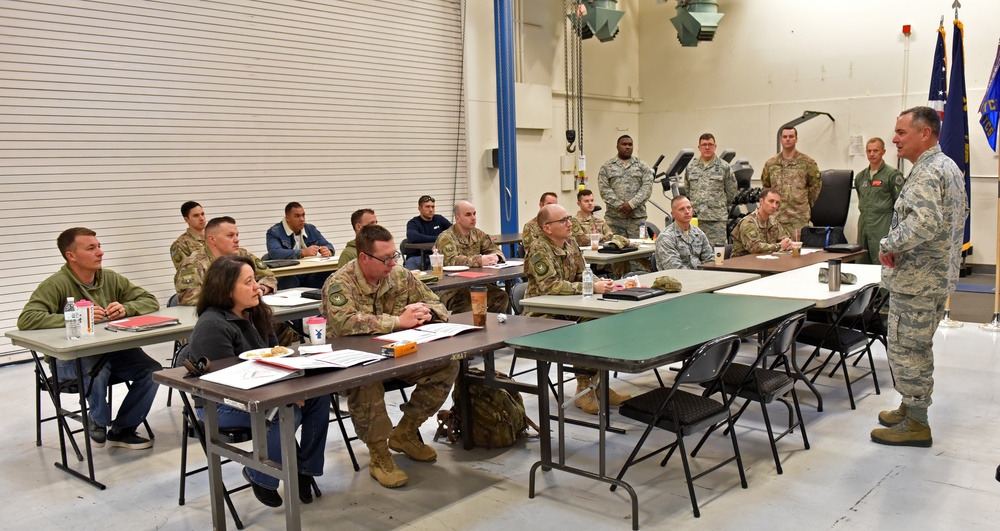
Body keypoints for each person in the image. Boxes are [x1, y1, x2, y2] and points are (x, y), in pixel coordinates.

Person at [184, 255, 330, 507]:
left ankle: (303, 470)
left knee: (318, 396)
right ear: (226, 289)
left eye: (255, 280)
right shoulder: (212, 325)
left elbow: (275, 356)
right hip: (219, 403)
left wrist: (294, 386)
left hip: (262, 391)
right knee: (285, 412)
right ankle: (261, 476)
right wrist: (285, 394)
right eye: (249, 282)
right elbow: (225, 383)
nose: (257, 287)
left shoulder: (255, 313)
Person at [322, 224, 457, 489]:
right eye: (385, 258)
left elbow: (437, 303)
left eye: (394, 256)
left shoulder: (399, 275)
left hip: (399, 356)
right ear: (363, 258)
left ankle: (405, 432)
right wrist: (397, 321)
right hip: (355, 364)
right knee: (367, 378)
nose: (391, 263)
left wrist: (427, 313)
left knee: (448, 364)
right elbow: (343, 323)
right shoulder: (340, 283)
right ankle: (379, 455)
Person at [870, 106, 967, 448]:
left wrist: (888, 243)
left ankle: (916, 423)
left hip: (918, 280)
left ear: (924, 134)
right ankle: (911, 407)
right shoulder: (947, 167)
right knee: (914, 347)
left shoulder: (928, 172)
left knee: (907, 349)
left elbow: (923, 223)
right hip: (932, 278)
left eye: (901, 132)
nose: (894, 139)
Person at [18, 227, 160, 450]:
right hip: (69, 361)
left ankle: (123, 429)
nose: (100, 252)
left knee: (152, 371)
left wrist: (126, 308)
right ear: (71, 256)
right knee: (96, 369)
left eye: (99, 246)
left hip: (110, 352)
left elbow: (150, 300)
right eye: (91, 248)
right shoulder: (56, 284)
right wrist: (75, 316)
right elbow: (27, 319)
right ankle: (99, 421)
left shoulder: (110, 278)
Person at [524, 204, 630, 415]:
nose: (569, 223)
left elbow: (584, 273)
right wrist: (590, 288)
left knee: (609, 321)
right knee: (590, 327)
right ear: (547, 228)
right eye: (562, 220)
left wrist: (603, 283)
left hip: (570, 307)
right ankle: (584, 389)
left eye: (568, 218)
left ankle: (598, 385)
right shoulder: (539, 249)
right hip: (543, 315)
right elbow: (550, 286)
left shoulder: (570, 243)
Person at [175, 216, 277, 306]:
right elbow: (188, 296)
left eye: (237, 235)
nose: (237, 240)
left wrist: (262, 289)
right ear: (212, 239)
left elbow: (269, 277)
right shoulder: (194, 264)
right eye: (230, 236)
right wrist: (236, 296)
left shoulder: (243, 255)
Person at [435, 201, 509, 313]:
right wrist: (479, 260)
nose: (473, 218)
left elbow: (494, 249)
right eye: (468, 215)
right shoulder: (446, 237)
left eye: (474, 214)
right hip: (451, 287)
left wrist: (495, 257)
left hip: (474, 283)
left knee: (500, 297)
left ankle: (488, 326)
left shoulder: (478, 234)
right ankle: (465, 328)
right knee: (466, 300)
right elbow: (451, 261)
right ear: (457, 218)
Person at [760, 126, 822, 237]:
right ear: (781, 139)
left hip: (798, 218)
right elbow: (766, 187)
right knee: (776, 251)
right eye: (785, 137)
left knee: (797, 251)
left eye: (791, 136)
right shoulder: (771, 163)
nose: (787, 139)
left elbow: (815, 186)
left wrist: (804, 204)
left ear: (796, 139)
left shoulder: (807, 163)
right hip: (776, 217)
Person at [854, 137, 905, 264]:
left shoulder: (892, 175)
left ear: (883, 152)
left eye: (875, 151)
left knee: (881, 262)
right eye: (869, 151)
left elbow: (900, 204)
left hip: (882, 223)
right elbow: (861, 197)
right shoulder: (861, 177)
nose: (872, 154)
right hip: (864, 224)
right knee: (861, 261)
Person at [682, 133, 738, 245]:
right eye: (704, 145)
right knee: (695, 251)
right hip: (696, 218)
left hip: (716, 220)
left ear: (715, 146)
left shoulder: (724, 167)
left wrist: (718, 206)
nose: (707, 147)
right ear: (699, 148)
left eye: (710, 144)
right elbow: (688, 190)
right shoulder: (691, 167)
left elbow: (731, 191)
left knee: (716, 253)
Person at [265, 202, 335, 289]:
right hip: (288, 274)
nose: (302, 219)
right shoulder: (274, 232)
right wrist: (302, 252)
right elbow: (274, 252)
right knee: (289, 281)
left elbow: (327, 244)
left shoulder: (310, 229)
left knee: (330, 274)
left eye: (303, 215)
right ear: (287, 218)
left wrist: (328, 250)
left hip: (308, 272)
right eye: (297, 216)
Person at [598, 135, 653, 238]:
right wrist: (621, 206)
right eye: (624, 144)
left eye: (630, 144)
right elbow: (604, 190)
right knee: (614, 250)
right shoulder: (607, 167)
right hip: (614, 219)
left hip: (636, 219)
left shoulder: (642, 166)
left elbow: (647, 188)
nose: (627, 147)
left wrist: (631, 204)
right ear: (617, 147)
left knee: (640, 250)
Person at [654, 195, 714, 270]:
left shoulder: (698, 233)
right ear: (673, 214)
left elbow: (710, 260)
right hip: (677, 280)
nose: (687, 212)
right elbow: (674, 268)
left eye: (689, 208)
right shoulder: (666, 237)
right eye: (681, 209)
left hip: (701, 277)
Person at [730, 188, 793, 257]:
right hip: (742, 263)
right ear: (761, 201)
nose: (774, 206)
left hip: (764, 262)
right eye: (771, 201)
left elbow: (785, 239)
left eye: (777, 203)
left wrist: (789, 244)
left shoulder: (773, 222)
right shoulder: (749, 222)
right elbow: (755, 247)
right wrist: (779, 245)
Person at [404, 195, 452, 270]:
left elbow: (453, 232)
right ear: (419, 209)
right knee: (412, 263)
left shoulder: (439, 219)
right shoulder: (413, 223)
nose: (431, 210)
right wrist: (439, 238)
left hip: (436, 255)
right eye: (427, 207)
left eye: (433, 207)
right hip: (418, 256)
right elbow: (413, 236)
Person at [169, 201, 207, 271]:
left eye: (202, 214)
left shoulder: (214, 236)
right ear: (186, 219)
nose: (202, 218)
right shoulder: (180, 245)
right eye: (196, 215)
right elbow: (185, 272)